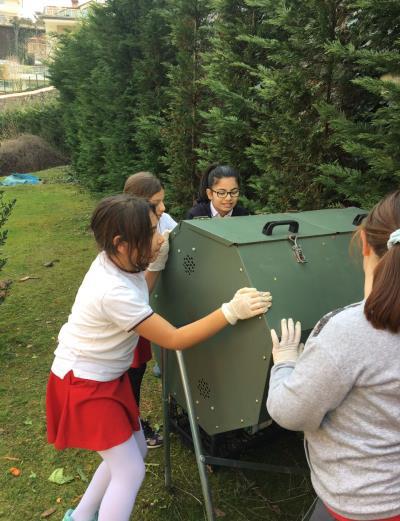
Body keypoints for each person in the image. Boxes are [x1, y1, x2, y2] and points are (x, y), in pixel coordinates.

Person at [46, 194, 272, 521]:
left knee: (132, 454)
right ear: (121, 243)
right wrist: (229, 312)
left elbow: (142, 296)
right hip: (83, 383)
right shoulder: (111, 290)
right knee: (130, 472)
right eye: (151, 233)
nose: (160, 238)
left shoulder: (119, 262)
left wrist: (155, 262)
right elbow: (176, 339)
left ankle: (80, 516)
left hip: (105, 378)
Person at [266, 190, 400, 521]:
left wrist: (285, 361)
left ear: (365, 244)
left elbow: (290, 413)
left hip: (363, 502)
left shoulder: (349, 331)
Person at [123, 171, 177, 448]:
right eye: (157, 202)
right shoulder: (129, 238)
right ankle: (132, 427)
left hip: (144, 311)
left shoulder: (163, 221)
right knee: (129, 372)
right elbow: (138, 292)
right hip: (135, 314)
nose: (164, 208)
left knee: (139, 367)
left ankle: (132, 423)